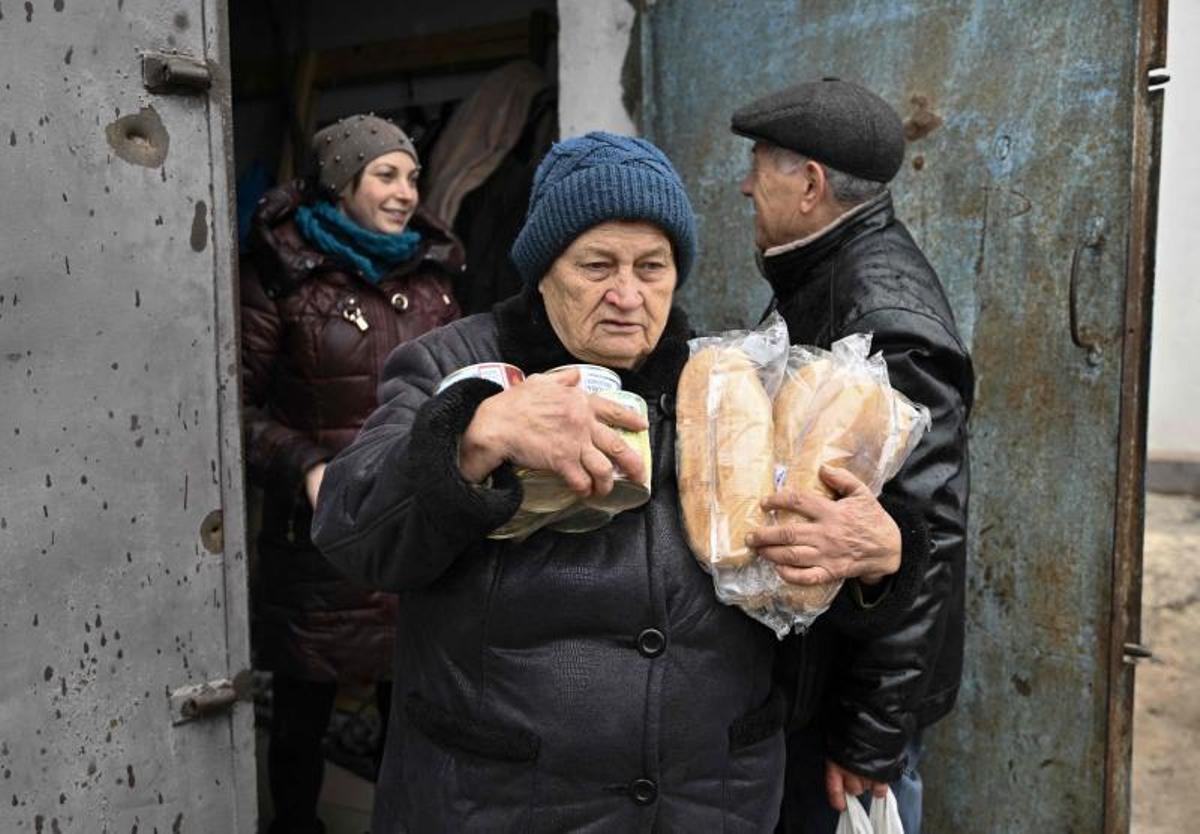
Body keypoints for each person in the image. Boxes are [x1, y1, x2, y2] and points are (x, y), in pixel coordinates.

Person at [310, 132, 929, 832]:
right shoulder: (456, 366)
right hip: (504, 802)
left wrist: (880, 560)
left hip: (709, 803)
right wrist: (472, 438)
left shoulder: (731, 382)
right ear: (544, 269)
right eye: (597, 265)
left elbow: (796, 585)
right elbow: (349, 529)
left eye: (653, 267)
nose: (628, 295)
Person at [730, 78, 975, 834]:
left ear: (808, 185)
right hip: (818, 684)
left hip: (844, 708)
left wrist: (869, 737)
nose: (745, 185)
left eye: (760, 166)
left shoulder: (881, 317)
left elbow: (920, 540)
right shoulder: (820, 273)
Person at [240, 113, 465, 834]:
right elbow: (231, 408)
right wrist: (304, 466)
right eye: (387, 175)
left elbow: (465, 386)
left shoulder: (434, 275)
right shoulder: (282, 274)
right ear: (342, 184)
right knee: (302, 718)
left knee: (416, 714)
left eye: (412, 177)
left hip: (416, 521)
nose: (407, 192)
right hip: (320, 536)